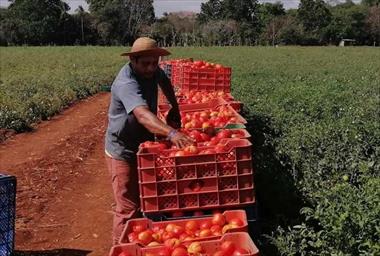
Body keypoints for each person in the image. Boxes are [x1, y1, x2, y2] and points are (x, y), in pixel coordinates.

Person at [104, 37, 194, 245]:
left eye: (155, 63)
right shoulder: (126, 82)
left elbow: (165, 82)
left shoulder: (153, 70)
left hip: (144, 144)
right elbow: (143, 116)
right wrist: (172, 134)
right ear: (133, 60)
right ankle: (121, 247)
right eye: (145, 63)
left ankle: (141, 242)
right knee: (127, 207)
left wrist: (175, 107)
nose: (151, 68)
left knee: (147, 197)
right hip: (122, 149)